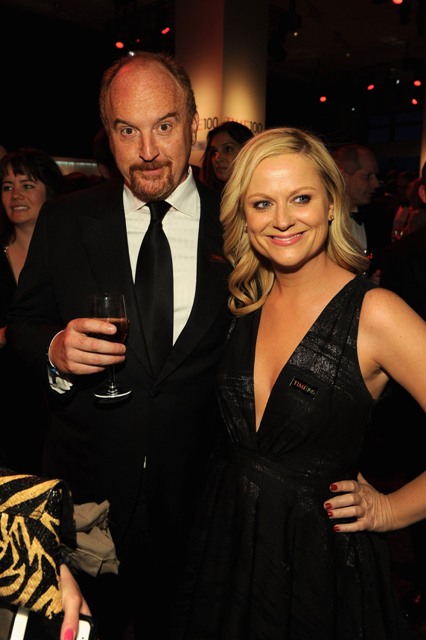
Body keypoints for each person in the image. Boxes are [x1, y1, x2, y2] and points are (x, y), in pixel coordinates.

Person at [6, 50, 232, 640]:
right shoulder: (66, 220)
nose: (148, 150)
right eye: (127, 130)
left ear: (192, 124)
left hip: (198, 500)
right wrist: (55, 350)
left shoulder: (237, 223)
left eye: (164, 125)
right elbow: (24, 323)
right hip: (87, 499)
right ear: (108, 134)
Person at [168, 126, 426, 639]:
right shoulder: (245, 304)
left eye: (301, 198)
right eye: (262, 203)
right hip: (228, 542)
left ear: (331, 204)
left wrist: (393, 509)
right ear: (243, 215)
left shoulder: (375, 313)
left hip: (320, 565)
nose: (282, 219)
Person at [0, 147, 66, 473]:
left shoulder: (71, 255)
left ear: (49, 191)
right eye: (7, 186)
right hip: (7, 398)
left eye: (27, 185)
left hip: (61, 400)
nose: (15, 195)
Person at [331, 143, 383, 281]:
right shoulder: (321, 223)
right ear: (343, 177)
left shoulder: (377, 218)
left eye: (375, 176)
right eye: (367, 176)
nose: (376, 184)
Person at [199, 121, 254, 192]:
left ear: (247, 150)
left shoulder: (261, 192)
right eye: (214, 152)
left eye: (228, 149)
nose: (217, 158)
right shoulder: (206, 195)